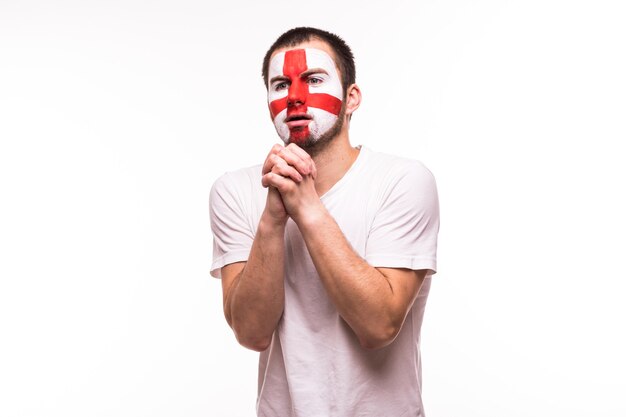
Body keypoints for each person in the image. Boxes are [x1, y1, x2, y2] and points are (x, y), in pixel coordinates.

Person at [209, 27, 440, 417]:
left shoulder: (403, 180)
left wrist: (308, 208)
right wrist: (272, 219)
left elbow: (378, 326)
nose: (295, 98)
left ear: (352, 98)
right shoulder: (234, 190)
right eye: (281, 84)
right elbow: (251, 333)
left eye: (314, 80)